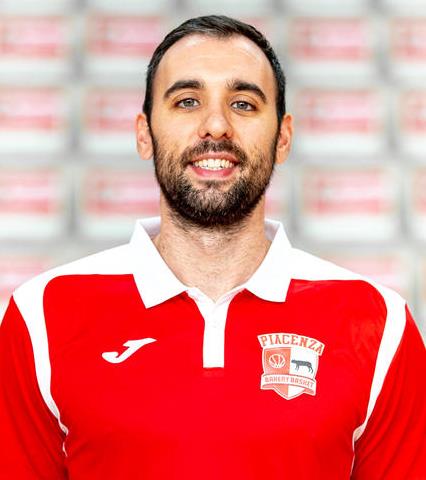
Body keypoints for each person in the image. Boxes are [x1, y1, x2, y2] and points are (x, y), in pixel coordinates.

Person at [0, 15, 425, 480]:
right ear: (144, 134)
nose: (216, 125)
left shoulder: (378, 323)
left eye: (243, 104)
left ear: (283, 138)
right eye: (187, 101)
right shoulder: (41, 315)